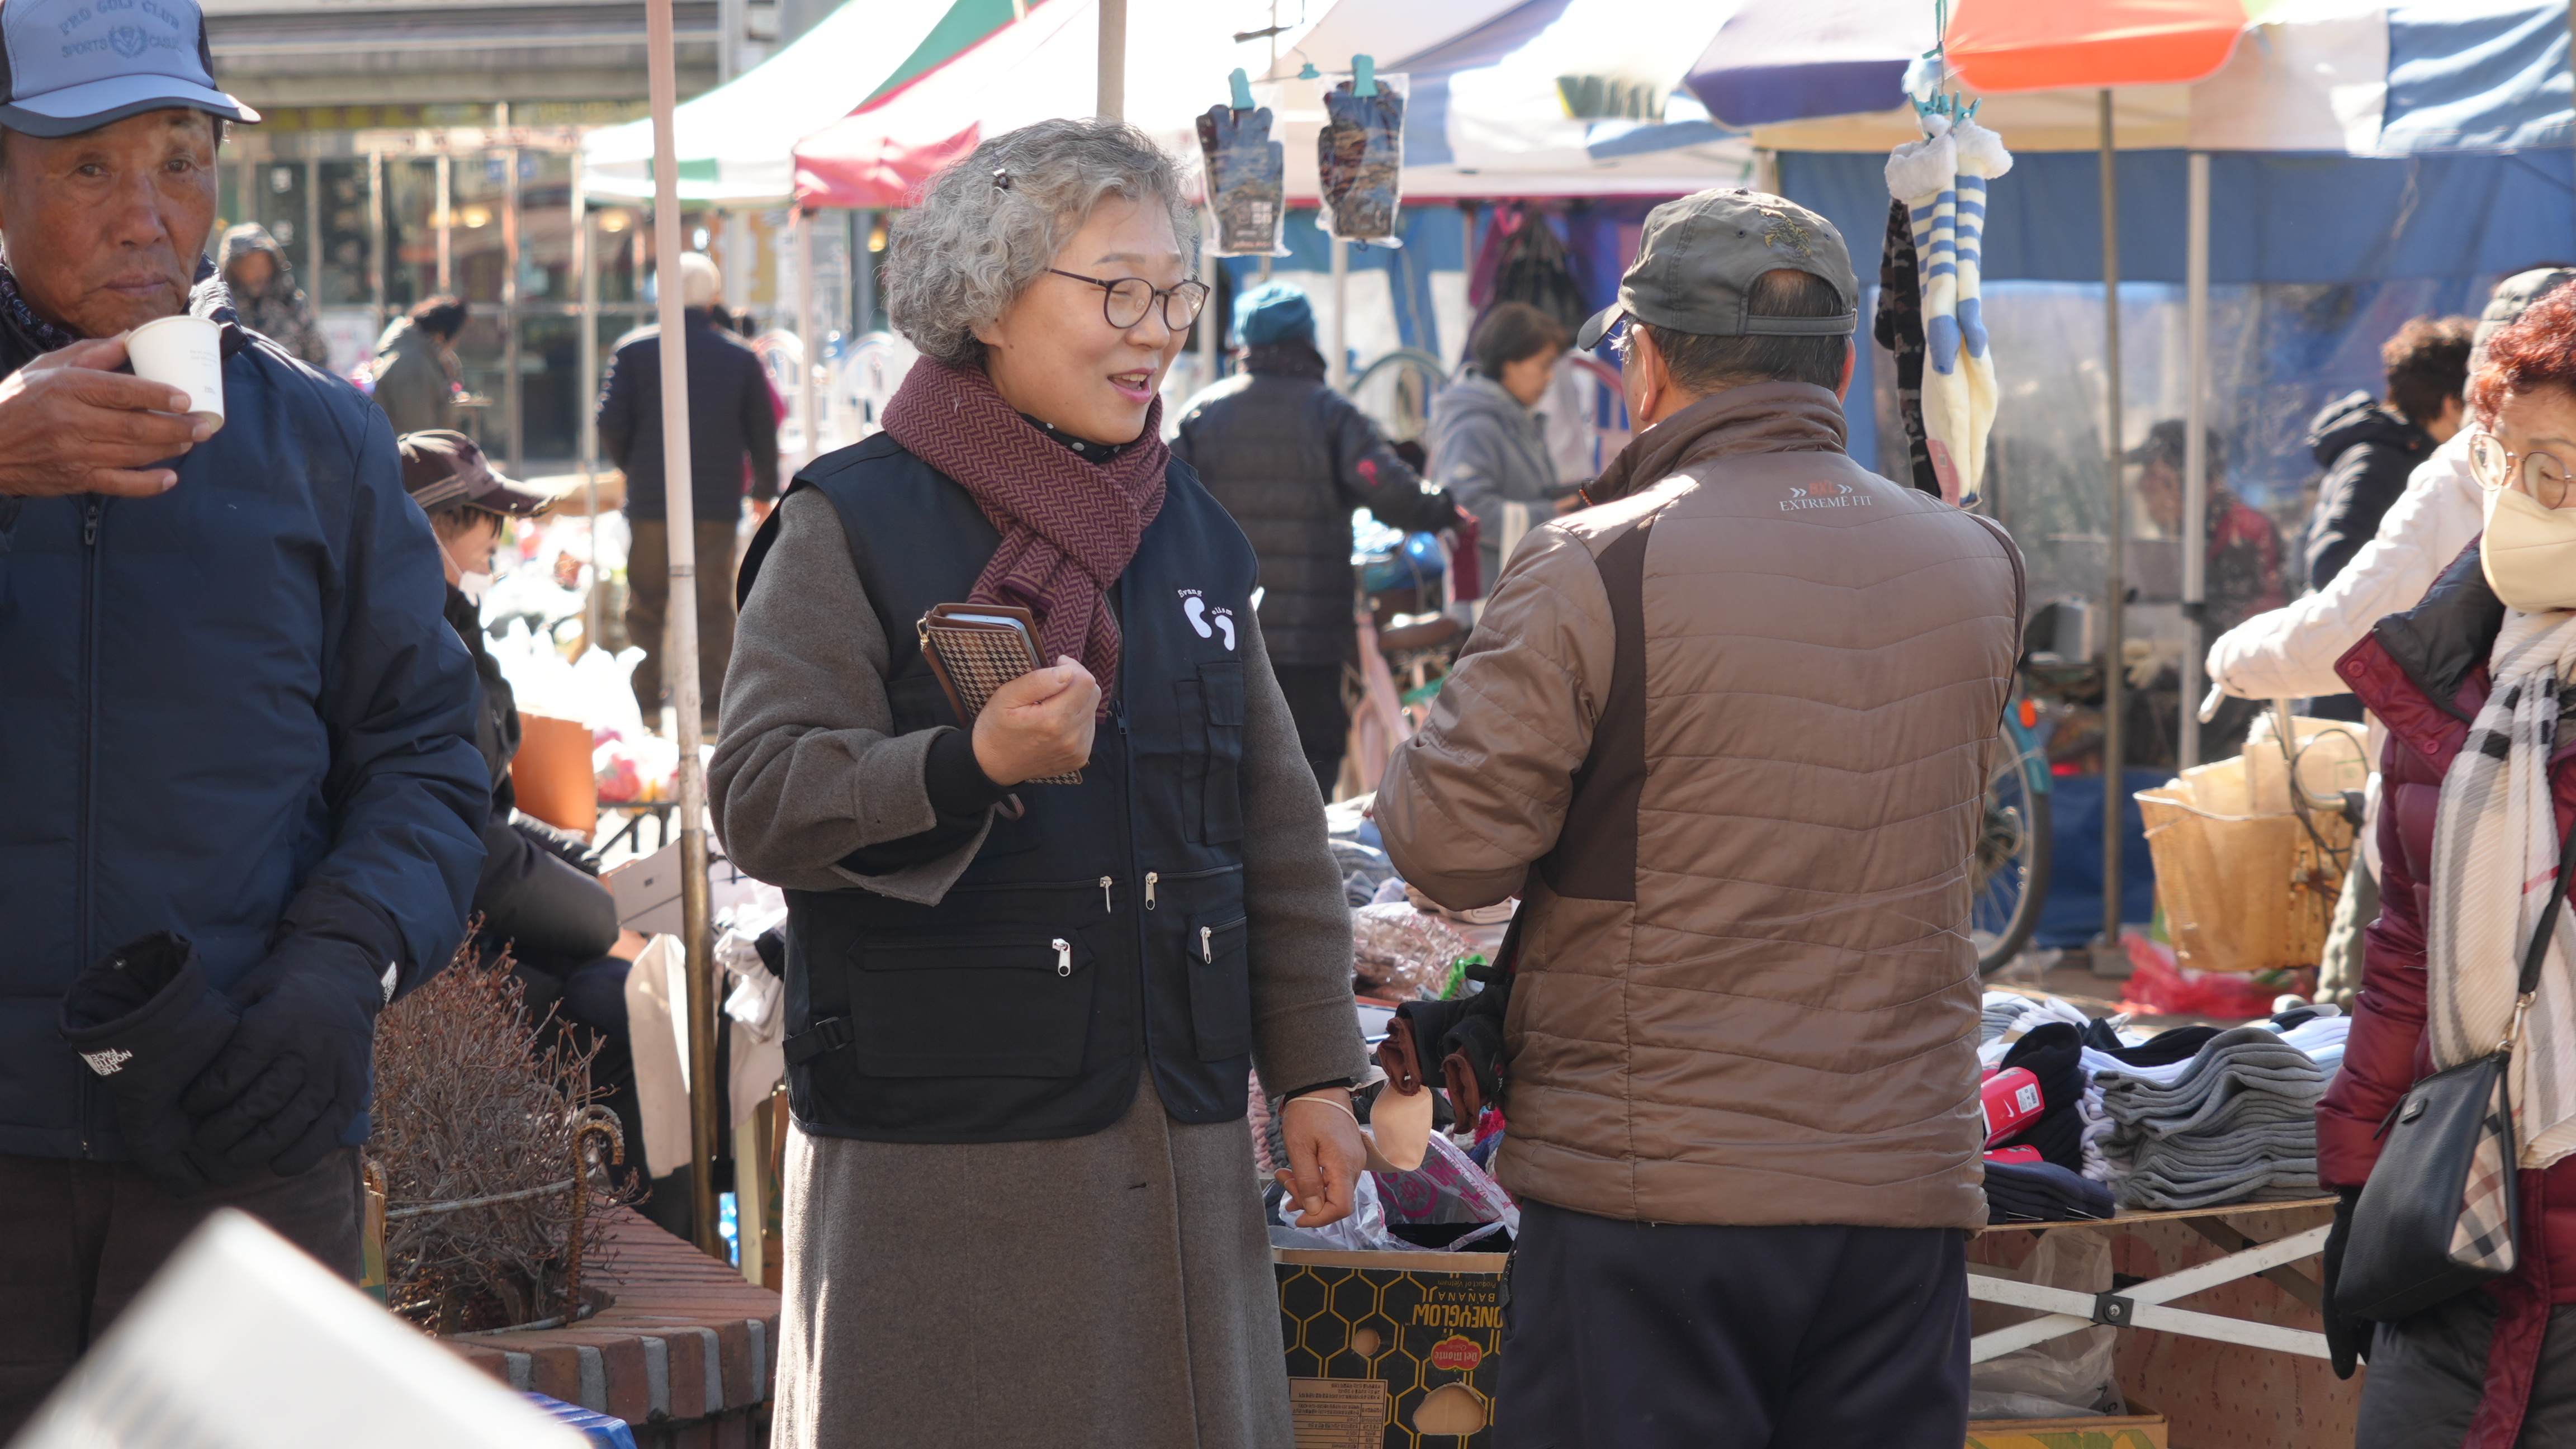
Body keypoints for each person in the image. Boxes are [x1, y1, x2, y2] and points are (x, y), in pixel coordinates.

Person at [710, 118, 1368, 1448]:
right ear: (989, 299)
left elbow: (1274, 826)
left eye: (1175, 293)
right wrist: (967, 764)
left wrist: (1314, 1070)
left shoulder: (1187, 525)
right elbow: (762, 794)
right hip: (944, 1159)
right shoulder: (852, 520)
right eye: (1116, 290)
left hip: (1176, 1135)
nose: (1157, 329)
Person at [1372, 190, 2024, 1449]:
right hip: (1899, 1188)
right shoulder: (1974, 559)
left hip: (1653, 1191)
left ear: (1647, 361)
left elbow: (1446, 845)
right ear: (1838, 363)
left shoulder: (1596, 560)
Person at [0, 1, 486, 1430]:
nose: (152, 215)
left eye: (185, 157)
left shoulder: (321, 435)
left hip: (240, 1137)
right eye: (88, 165)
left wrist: (342, 969)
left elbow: (430, 754)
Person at [2317, 281, 2576, 1446]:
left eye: (2569, 466)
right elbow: (2402, 953)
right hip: (2457, 1240)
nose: (2539, 498)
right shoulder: (2457, 673)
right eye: (2520, 461)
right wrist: (2353, 1176)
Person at [2204, 267, 2576, 1005]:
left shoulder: (2455, 478)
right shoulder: (2463, 475)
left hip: (2457, 830)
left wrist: (2229, 661)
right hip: (2447, 822)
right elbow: (2354, 619)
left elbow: (2339, 631)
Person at [397, 429, 641, 1175]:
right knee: (610, 993)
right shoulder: (411, 636)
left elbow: (490, 815)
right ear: (439, 525)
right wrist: (601, 911)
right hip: (437, 943)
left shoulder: (443, 618)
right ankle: (608, 1199)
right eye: (486, 518)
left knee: (610, 973)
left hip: (465, 910)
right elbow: (470, 842)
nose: (499, 537)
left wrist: (579, 867)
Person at [1172, 281, 1464, 794]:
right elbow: (1391, 492)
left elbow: (1161, 501)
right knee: (1306, 774)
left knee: (1225, 772)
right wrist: (1444, 508)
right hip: (1311, 637)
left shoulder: (1201, 412)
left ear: (1243, 344)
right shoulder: (1332, 412)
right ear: (1307, 341)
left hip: (1218, 630)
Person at [597, 251, 779, 729]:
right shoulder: (740, 357)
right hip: (717, 500)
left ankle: (649, 704)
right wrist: (764, 490)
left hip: (652, 500)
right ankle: (712, 710)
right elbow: (763, 430)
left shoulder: (633, 351)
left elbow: (610, 421)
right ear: (714, 297)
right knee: (714, 604)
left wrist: (633, 466)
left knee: (646, 604)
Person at [2296, 315, 2475, 720]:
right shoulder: (2379, 457)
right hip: (2352, 689)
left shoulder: (2399, 452)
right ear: (2452, 405)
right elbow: (2331, 563)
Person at [2129, 419, 2286, 762]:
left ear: (2181, 479)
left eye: (2152, 476)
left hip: (2241, 700)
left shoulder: (2241, 530)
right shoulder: (2190, 529)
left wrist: (2169, 648)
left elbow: (2238, 623)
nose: (2141, 487)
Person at [1431, 300, 1569, 585]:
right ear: (1509, 363)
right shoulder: (1473, 426)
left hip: (1513, 590)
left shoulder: (1515, 419)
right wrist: (1550, 515)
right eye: (1543, 366)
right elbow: (1465, 510)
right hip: (1484, 600)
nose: (1550, 377)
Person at [216, 221, 327, 367]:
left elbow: (319, 359)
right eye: (250, 266)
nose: (259, 273)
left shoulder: (292, 303)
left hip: (293, 387)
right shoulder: (221, 313)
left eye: (263, 265)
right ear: (233, 270)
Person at [369, 293, 468, 437]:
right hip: (413, 457)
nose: (454, 344)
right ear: (441, 334)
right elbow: (418, 436)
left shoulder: (410, 354)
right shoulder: (413, 364)